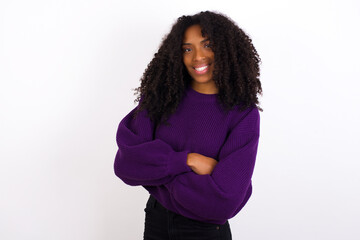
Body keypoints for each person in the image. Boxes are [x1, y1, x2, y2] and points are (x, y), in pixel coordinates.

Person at [114, 10, 263, 240]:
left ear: (224, 48)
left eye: (207, 45)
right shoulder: (161, 98)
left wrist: (157, 178)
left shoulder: (243, 113)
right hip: (158, 223)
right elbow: (126, 165)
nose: (197, 57)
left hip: (205, 231)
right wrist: (186, 160)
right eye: (187, 49)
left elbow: (225, 202)